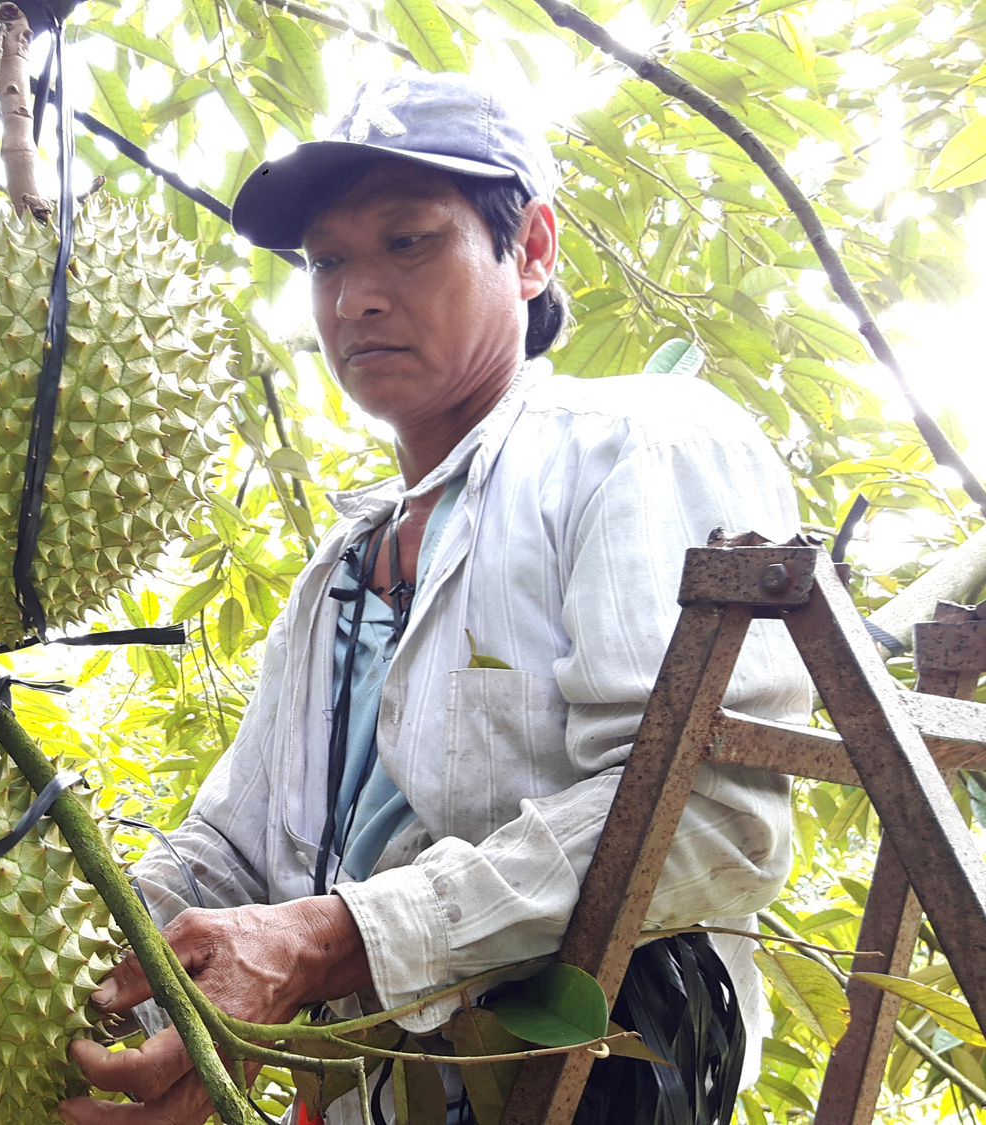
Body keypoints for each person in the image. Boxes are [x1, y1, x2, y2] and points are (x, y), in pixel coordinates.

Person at [56, 69, 811, 1125]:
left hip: (593, 1076)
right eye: (327, 261)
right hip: (372, 1092)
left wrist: (336, 939)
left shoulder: (636, 442)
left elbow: (710, 815)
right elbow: (233, 850)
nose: (355, 295)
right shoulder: (347, 563)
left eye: (410, 242)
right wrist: (78, 973)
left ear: (533, 250)